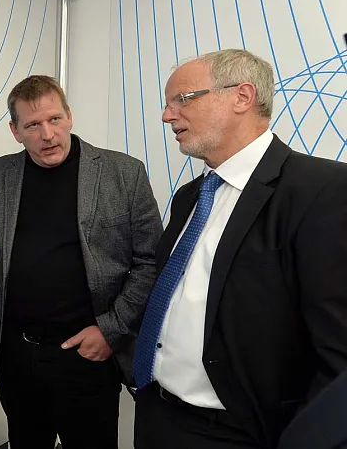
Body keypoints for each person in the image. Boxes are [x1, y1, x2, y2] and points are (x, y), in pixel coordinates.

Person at [132, 49, 347, 449]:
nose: (166, 115)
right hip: (155, 412)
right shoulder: (189, 197)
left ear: (242, 97)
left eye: (182, 99)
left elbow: (338, 357)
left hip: (241, 433)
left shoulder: (323, 190)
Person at [0, 75, 162, 449]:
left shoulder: (123, 173)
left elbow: (150, 262)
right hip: (16, 355)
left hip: (87, 355)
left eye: (54, 119)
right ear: (16, 131)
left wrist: (111, 330)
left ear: (69, 116)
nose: (48, 135)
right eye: (33, 125)